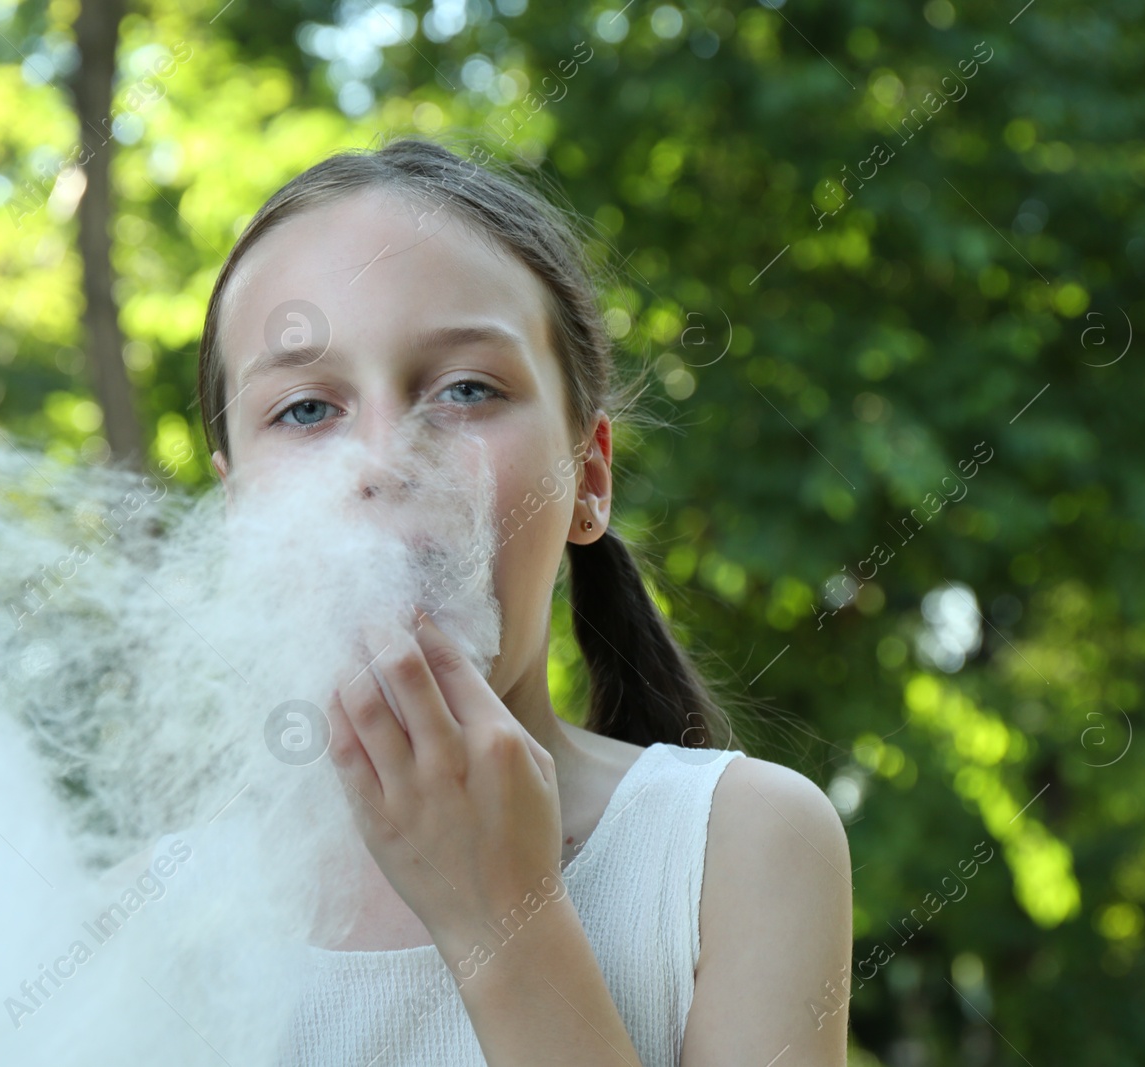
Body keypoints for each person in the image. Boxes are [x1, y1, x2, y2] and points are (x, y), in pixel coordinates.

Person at [195, 134, 852, 1067]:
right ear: (238, 514)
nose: (384, 460)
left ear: (587, 478)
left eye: (466, 388)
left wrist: (502, 917)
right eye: (306, 408)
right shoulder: (146, 921)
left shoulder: (738, 847)